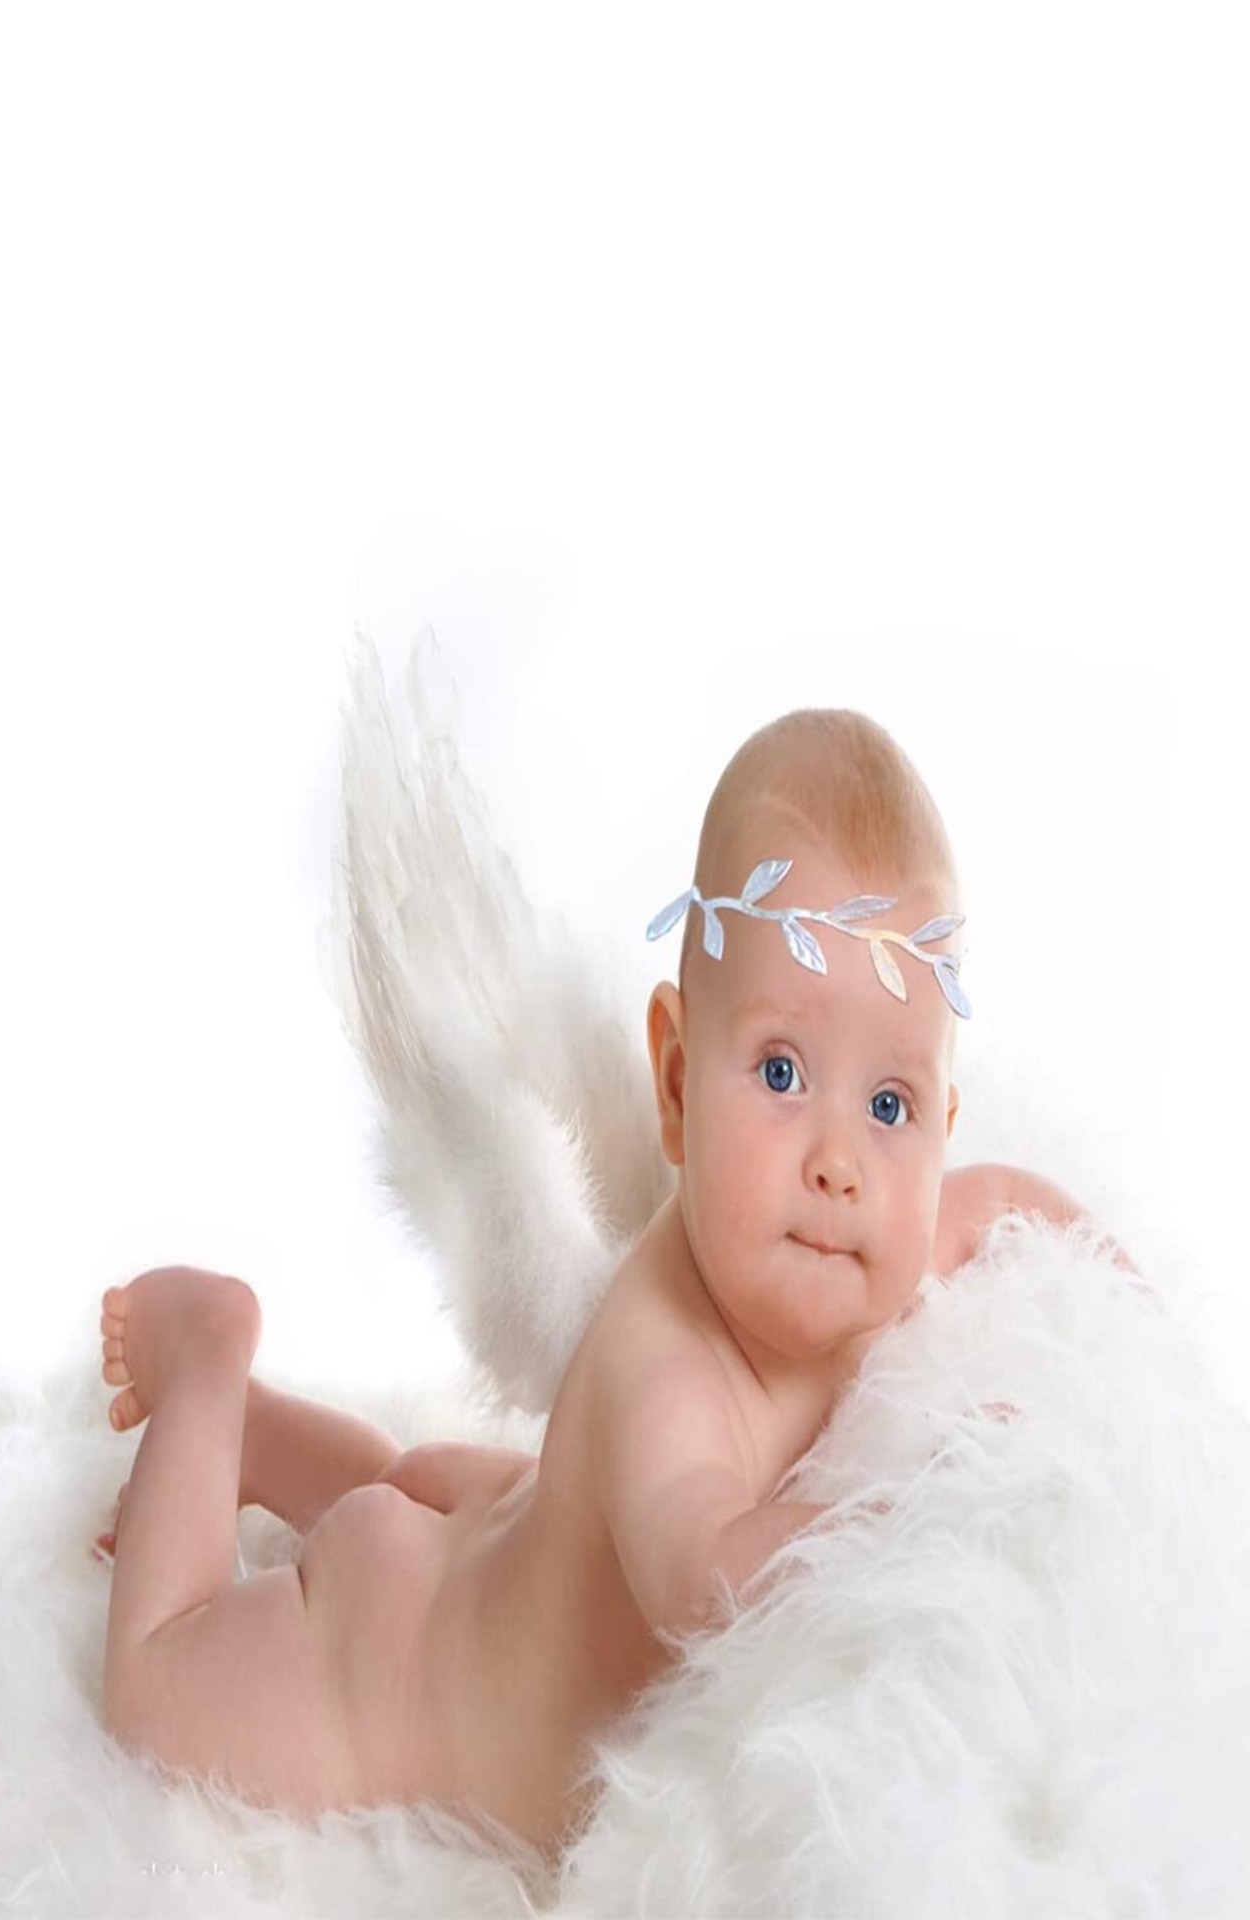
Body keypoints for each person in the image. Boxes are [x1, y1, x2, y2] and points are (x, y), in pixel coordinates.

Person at [93, 706, 1123, 1861]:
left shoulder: (863, 1236)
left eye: (889, 1105)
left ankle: (256, 1437)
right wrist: (905, 1502)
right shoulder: (667, 1374)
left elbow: (998, 1202)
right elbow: (701, 1582)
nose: (838, 1161)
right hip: (399, 1684)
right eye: (781, 1072)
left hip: (491, 1543)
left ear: (937, 1125)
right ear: (675, 1082)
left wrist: (1127, 1309)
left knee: (399, 1497)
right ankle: (208, 1355)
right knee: (152, 1692)